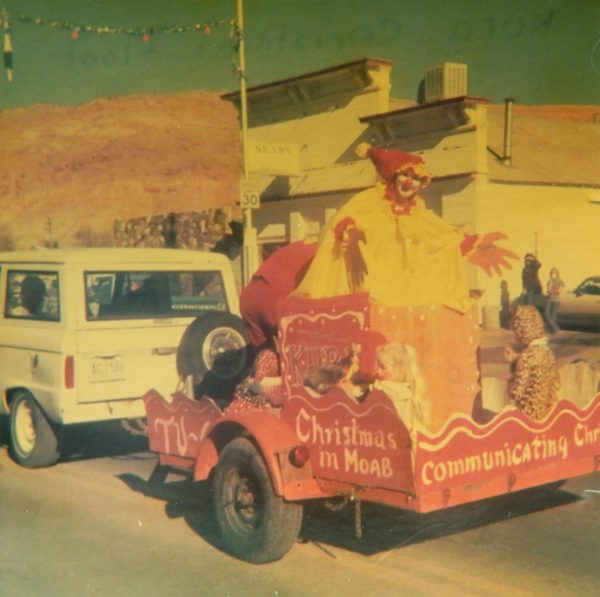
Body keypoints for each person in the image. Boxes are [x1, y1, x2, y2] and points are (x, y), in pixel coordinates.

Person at [295, 144, 517, 313]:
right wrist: (350, 231)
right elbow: (346, 219)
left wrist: (474, 244)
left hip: (402, 285)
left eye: (417, 179)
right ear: (394, 176)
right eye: (405, 175)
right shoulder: (373, 199)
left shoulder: (417, 210)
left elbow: (440, 235)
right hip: (372, 279)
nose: (410, 183)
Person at [239, 240, 318, 351]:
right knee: (294, 350)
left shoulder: (302, 244)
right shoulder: (322, 252)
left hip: (248, 295)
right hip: (272, 296)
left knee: (262, 354)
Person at [504, 305, 560, 421]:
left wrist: (513, 366)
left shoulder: (527, 357)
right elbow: (555, 382)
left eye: (515, 333)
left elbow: (515, 393)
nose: (514, 337)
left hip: (529, 417)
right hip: (547, 414)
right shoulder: (547, 352)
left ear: (521, 332)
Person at [373, 342, 432, 433]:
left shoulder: (387, 388)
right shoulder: (408, 391)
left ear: (399, 370)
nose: (378, 371)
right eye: (378, 367)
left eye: (383, 367)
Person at [544, 268, 565, 333]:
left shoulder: (559, 280)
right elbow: (548, 290)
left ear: (557, 274)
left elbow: (561, 289)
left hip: (556, 299)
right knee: (547, 313)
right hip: (549, 299)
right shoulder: (549, 281)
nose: (553, 275)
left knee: (553, 315)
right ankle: (556, 328)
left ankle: (553, 330)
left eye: (554, 273)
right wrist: (550, 290)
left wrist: (556, 290)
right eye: (552, 273)